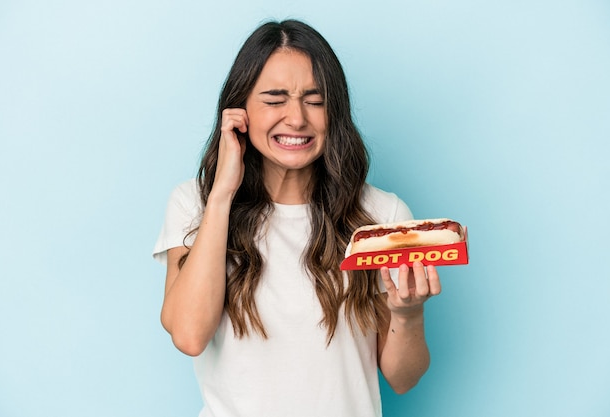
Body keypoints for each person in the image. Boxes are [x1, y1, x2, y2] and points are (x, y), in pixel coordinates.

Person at [153, 19, 441, 417]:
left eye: (315, 100)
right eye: (274, 99)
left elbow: (402, 379)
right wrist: (221, 195)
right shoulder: (194, 203)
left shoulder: (382, 216)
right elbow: (188, 335)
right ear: (239, 110)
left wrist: (409, 313)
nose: (296, 118)